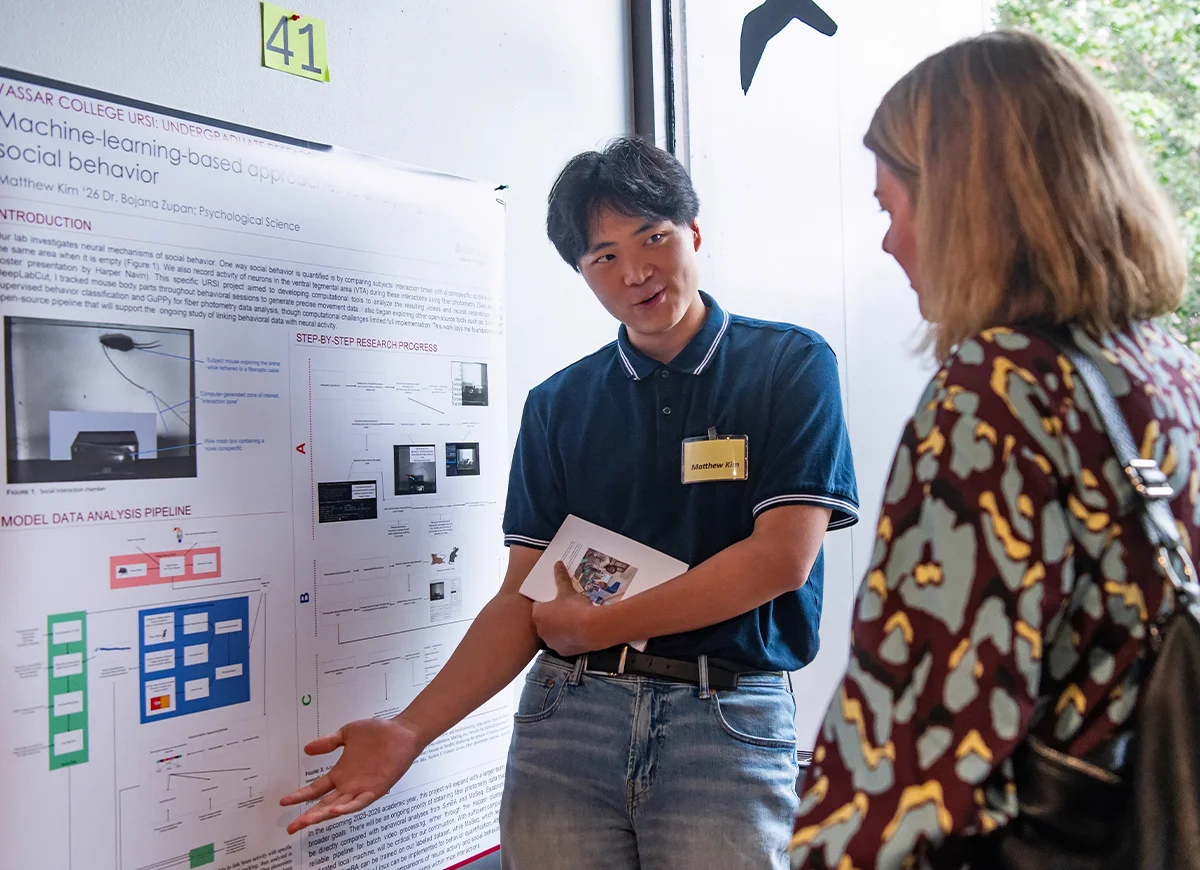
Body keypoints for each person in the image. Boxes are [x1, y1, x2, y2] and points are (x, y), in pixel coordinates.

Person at [281, 137, 859, 869]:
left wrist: (601, 624)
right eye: (603, 256)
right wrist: (409, 730)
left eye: (653, 237)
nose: (636, 271)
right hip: (568, 719)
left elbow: (780, 560)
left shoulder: (789, 364)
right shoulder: (559, 404)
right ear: (581, 273)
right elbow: (524, 599)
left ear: (694, 233)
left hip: (726, 719)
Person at [789, 30, 1198, 869]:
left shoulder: (997, 392)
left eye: (889, 204)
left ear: (963, 197)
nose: (888, 241)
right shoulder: (1163, 368)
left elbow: (909, 752)